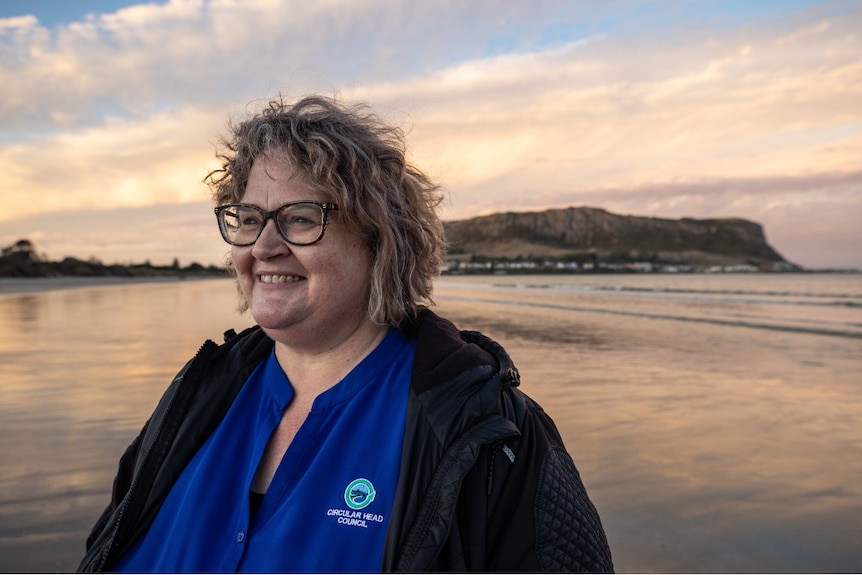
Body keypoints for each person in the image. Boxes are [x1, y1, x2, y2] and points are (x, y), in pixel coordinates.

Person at [77, 94, 614, 573]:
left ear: (381, 243)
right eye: (247, 218)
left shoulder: (487, 432)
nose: (263, 246)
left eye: (302, 218)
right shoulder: (199, 395)